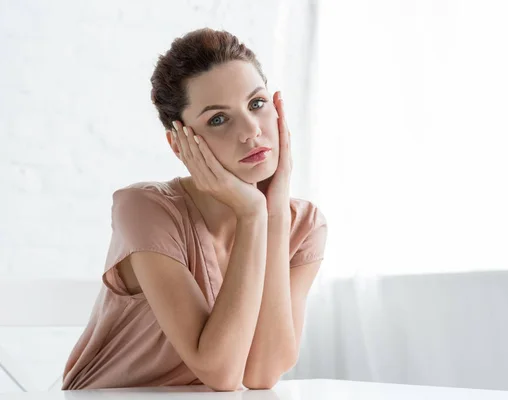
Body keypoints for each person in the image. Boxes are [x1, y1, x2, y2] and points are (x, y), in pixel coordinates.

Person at [61, 27, 328, 392]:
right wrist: (252, 215)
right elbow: (220, 372)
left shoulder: (305, 225)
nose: (251, 131)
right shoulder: (146, 210)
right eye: (218, 119)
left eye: (257, 104)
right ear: (179, 143)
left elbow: (263, 373)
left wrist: (274, 214)